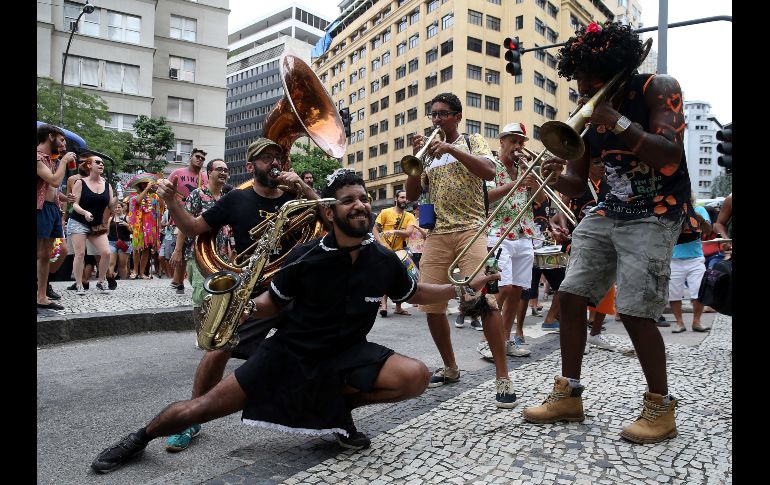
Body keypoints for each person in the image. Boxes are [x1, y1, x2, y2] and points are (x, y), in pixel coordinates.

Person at [90, 168, 500, 474]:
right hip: (287, 353)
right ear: (329, 210)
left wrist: (463, 288)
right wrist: (243, 308)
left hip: (346, 354)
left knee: (414, 377)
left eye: (363, 197)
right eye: (348, 200)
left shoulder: (383, 258)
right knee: (202, 408)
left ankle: (334, 410)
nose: (360, 204)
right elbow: (272, 302)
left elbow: (416, 294)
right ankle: (138, 438)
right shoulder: (307, 257)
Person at [523, 21, 699, 444]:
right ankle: (568, 395)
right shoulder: (590, 110)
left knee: (636, 309)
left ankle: (660, 406)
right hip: (608, 210)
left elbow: (670, 156)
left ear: (616, 66)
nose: (582, 84)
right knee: (569, 295)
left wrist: (616, 121)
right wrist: (544, 176)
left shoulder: (657, 88)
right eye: (578, 76)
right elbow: (577, 181)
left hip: (657, 212)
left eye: (590, 75)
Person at [154, 139, 316, 453]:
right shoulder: (236, 199)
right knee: (219, 347)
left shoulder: (297, 194)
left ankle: (336, 419)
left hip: (301, 288)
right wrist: (173, 204)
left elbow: (328, 218)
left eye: (277, 157)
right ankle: (191, 418)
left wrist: (306, 190)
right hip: (257, 290)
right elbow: (195, 226)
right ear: (250, 166)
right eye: (266, 158)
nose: (274, 163)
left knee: (328, 345)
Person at [405, 92, 517, 408]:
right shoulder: (428, 153)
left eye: (442, 114)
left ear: (457, 116)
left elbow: (489, 171)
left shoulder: (472, 140)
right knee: (431, 304)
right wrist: (416, 164)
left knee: (482, 301)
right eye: (433, 114)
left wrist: (451, 148)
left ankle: (503, 376)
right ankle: (451, 367)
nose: (436, 120)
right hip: (437, 234)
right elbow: (414, 194)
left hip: (472, 229)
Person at [475, 123, 542, 361]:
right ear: (501, 141)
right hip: (497, 232)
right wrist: (516, 183)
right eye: (513, 141)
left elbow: (541, 198)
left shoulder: (525, 167)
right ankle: (486, 341)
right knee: (499, 289)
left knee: (517, 290)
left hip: (524, 233)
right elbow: (486, 198)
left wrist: (534, 183)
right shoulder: (491, 167)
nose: (517, 146)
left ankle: (504, 339)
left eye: (521, 142)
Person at [179, 158, 235, 328]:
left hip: (222, 255)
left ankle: (216, 330)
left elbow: (230, 228)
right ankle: (201, 334)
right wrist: (177, 250)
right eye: (220, 169)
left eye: (226, 170)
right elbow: (184, 223)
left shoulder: (228, 198)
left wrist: (233, 250)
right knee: (201, 293)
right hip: (198, 254)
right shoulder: (197, 194)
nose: (224, 172)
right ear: (209, 172)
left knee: (221, 294)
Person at [37, 124, 75, 310]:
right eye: (61, 140)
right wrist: (64, 162)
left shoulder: (52, 160)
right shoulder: (38, 157)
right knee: (39, 254)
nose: (63, 145)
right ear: (50, 136)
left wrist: (64, 197)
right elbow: (53, 180)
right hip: (40, 209)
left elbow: (51, 188)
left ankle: (42, 296)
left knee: (46, 255)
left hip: (52, 209)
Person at [67, 154, 116, 294]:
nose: (101, 165)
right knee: (80, 253)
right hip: (78, 220)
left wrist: (116, 202)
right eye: (98, 162)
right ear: (89, 165)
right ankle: (78, 284)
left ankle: (101, 281)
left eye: (102, 163)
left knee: (106, 252)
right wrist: (85, 213)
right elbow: (74, 204)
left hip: (96, 224)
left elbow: (111, 206)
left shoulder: (107, 185)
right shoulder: (80, 182)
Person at [169, 149, 209, 294]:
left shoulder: (205, 176)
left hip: (198, 218)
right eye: (197, 157)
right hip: (179, 216)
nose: (200, 159)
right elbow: (167, 192)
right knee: (180, 248)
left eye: (202, 158)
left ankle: (180, 280)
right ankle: (178, 281)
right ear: (190, 157)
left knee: (194, 249)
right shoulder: (178, 173)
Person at [669, 198, 712, 333]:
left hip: (695, 258)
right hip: (673, 259)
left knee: (699, 291)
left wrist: (701, 220)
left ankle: (696, 321)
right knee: (674, 294)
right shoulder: (669, 212)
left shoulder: (699, 210)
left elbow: (708, 230)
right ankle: (679, 323)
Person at [373, 189, 416, 316]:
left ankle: (398, 307)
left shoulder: (410, 216)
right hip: (384, 251)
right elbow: (375, 229)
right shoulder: (385, 212)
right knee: (384, 277)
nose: (404, 200)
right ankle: (384, 305)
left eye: (406, 198)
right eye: (402, 197)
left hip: (400, 252)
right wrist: (381, 244)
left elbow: (408, 233)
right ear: (396, 199)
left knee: (400, 279)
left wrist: (395, 232)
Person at [127, 178, 161, 280]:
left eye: (148, 183)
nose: (147, 185)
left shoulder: (154, 197)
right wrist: (147, 189)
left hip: (149, 226)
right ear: (141, 185)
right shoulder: (133, 196)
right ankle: (135, 271)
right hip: (138, 225)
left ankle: (142, 272)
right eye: (145, 184)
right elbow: (138, 201)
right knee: (136, 248)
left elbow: (159, 208)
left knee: (146, 249)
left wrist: (159, 189)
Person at [107, 201, 132, 280]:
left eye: (119, 207)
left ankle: (123, 281)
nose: (117, 209)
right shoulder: (110, 219)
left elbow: (133, 231)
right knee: (111, 263)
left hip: (124, 242)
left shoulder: (127, 218)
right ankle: (110, 281)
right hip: (111, 242)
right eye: (115, 207)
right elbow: (107, 231)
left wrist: (126, 225)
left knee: (122, 264)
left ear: (123, 208)